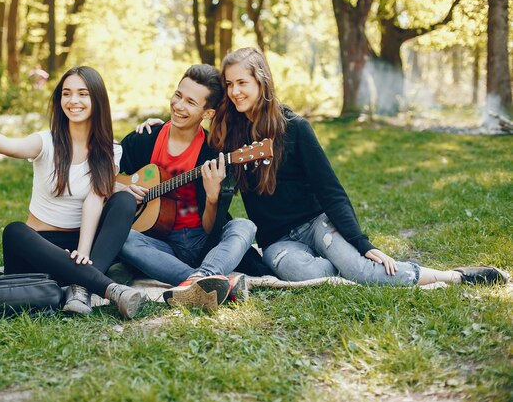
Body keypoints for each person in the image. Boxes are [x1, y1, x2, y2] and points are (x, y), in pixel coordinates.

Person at [205, 47, 507, 287]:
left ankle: (454, 276)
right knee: (305, 274)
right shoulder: (227, 136)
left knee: (362, 268)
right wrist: (157, 127)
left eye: (242, 82)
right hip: (277, 241)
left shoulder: (295, 128)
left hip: (316, 224)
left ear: (262, 82)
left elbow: (330, 189)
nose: (235, 92)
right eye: (229, 84)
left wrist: (360, 243)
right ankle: (346, 266)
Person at [0, 66, 147, 318]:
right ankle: (107, 288)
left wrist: (83, 253)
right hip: (39, 251)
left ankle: (80, 287)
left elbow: (94, 198)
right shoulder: (46, 142)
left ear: (97, 100)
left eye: (82, 94)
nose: (73, 101)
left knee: (123, 200)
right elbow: (10, 146)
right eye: (66, 93)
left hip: (78, 248)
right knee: (14, 231)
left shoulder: (111, 150)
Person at [116, 64, 257, 311]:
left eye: (191, 102)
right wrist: (120, 190)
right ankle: (209, 282)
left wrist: (213, 198)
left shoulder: (212, 155)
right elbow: (102, 172)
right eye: (178, 96)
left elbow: (211, 229)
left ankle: (199, 278)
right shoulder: (146, 137)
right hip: (159, 244)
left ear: (208, 113)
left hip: (202, 243)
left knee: (245, 226)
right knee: (122, 237)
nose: (179, 106)